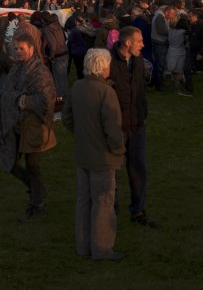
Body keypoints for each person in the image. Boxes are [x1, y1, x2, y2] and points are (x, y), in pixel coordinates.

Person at [62, 48, 126, 261]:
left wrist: (82, 134)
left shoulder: (77, 86)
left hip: (83, 152)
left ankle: (83, 245)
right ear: (102, 66)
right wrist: (118, 149)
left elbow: (67, 118)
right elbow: (113, 128)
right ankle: (101, 248)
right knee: (103, 203)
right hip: (102, 157)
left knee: (84, 200)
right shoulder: (106, 92)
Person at [0, 33, 57, 222]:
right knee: (9, 162)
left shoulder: (39, 72)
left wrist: (23, 100)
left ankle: (37, 205)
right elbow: (7, 91)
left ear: (31, 48)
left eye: (21, 48)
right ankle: (38, 191)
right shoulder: (17, 68)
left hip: (34, 126)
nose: (18, 51)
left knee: (33, 166)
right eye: (16, 48)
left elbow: (46, 100)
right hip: (16, 123)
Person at [108, 26, 158, 228]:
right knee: (112, 172)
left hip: (136, 124)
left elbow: (139, 91)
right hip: (116, 126)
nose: (143, 44)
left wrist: (142, 114)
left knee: (138, 169)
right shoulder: (109, 62)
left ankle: (138, 210)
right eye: (139, 41)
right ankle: (110, 213)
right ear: (127, 42)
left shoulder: (137, 61)